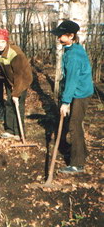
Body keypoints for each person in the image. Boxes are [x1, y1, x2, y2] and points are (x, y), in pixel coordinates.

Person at [50, 20, 93, 174]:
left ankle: (77, 163)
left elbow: (72, 80)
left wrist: (65, 102)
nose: (58, 38)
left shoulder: (74, 55)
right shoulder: (71, 48)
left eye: (61, 35)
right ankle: (81, 152)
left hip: (80, 93)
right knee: (73, 122)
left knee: (74, 125)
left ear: (71, 36)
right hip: (78, 90)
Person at [0, 29, 32, 139]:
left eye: (3, 42)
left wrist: (16, 94)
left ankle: (19, 132)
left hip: (22, 79)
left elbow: (19, 75)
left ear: (7, 41)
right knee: (9, 103)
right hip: (9, 79)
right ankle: (10, 130)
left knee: (18, 103)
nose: (0, 45)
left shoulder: (15, 53)